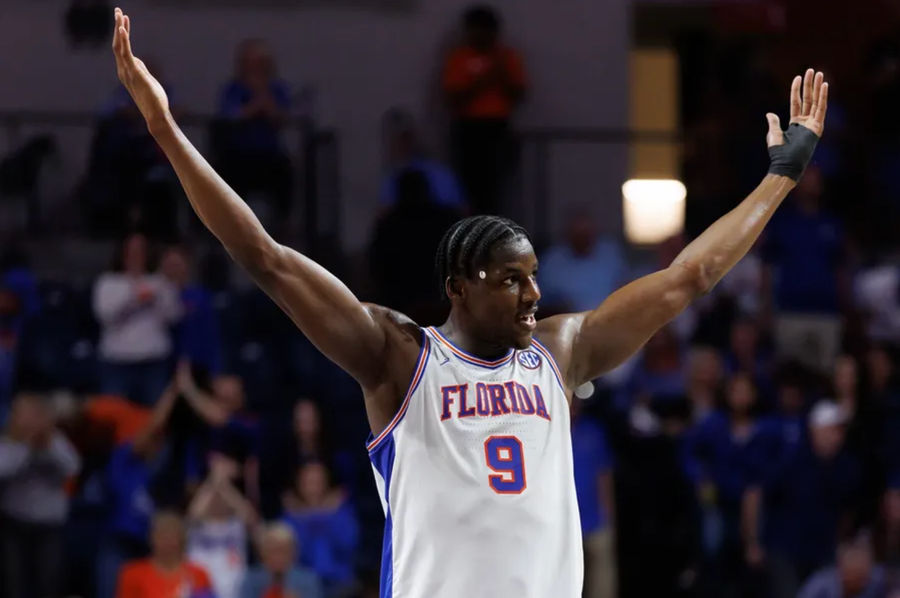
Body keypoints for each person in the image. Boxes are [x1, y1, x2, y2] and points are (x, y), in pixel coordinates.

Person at [111, 13, 828, 595]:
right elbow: (264, 256)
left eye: (535, 276)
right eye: (512, 279)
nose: (534, 294)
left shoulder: (560, 349)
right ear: (459, 286)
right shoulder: (398, 357)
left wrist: (783, 174)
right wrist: (167, 132)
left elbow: (688, 277)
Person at [442, 5, 527, 215]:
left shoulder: (507, 57)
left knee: (495, 186)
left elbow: (519, 92)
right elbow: (453, 95)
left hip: (497, 128)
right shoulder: (459, 58)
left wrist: (501, 73)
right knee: (467, 185)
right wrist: (482, 80)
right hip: (468, 128)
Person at [0, 392, 81, 598]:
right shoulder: (8, 442)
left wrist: (47, 445)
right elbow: (4, 470)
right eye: (23, 414)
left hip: (49, 528)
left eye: (34, 415)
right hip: (14, 525)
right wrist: (27, 446)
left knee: (49, 586)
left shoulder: (56, 441)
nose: (29, 420)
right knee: (14, 586)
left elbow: (73, 467)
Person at [93, 233, 181, 405]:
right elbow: (105, 315)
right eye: (131, 250)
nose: (136, 255)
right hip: (117, 363)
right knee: (114, 417)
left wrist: (156, 298)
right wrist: (134, 298)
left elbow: (174, 316)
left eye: (140, 251)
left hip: (153, 363)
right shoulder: (108, 282)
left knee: (154, 417)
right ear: (123, 253)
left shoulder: (160, 281)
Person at [115, 511, 215, 598]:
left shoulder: (198, 574)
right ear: (151, 538)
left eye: (172, 535)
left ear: (182, 539)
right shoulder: (132, 574)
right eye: (162, 535)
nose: (167, 541)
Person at [240, 522, 324, 598]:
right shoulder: (251, 579)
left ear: (293, 553)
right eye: (273, 551)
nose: (278, 557)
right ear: (263, 553)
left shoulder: (308, 581)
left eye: (284, 551)